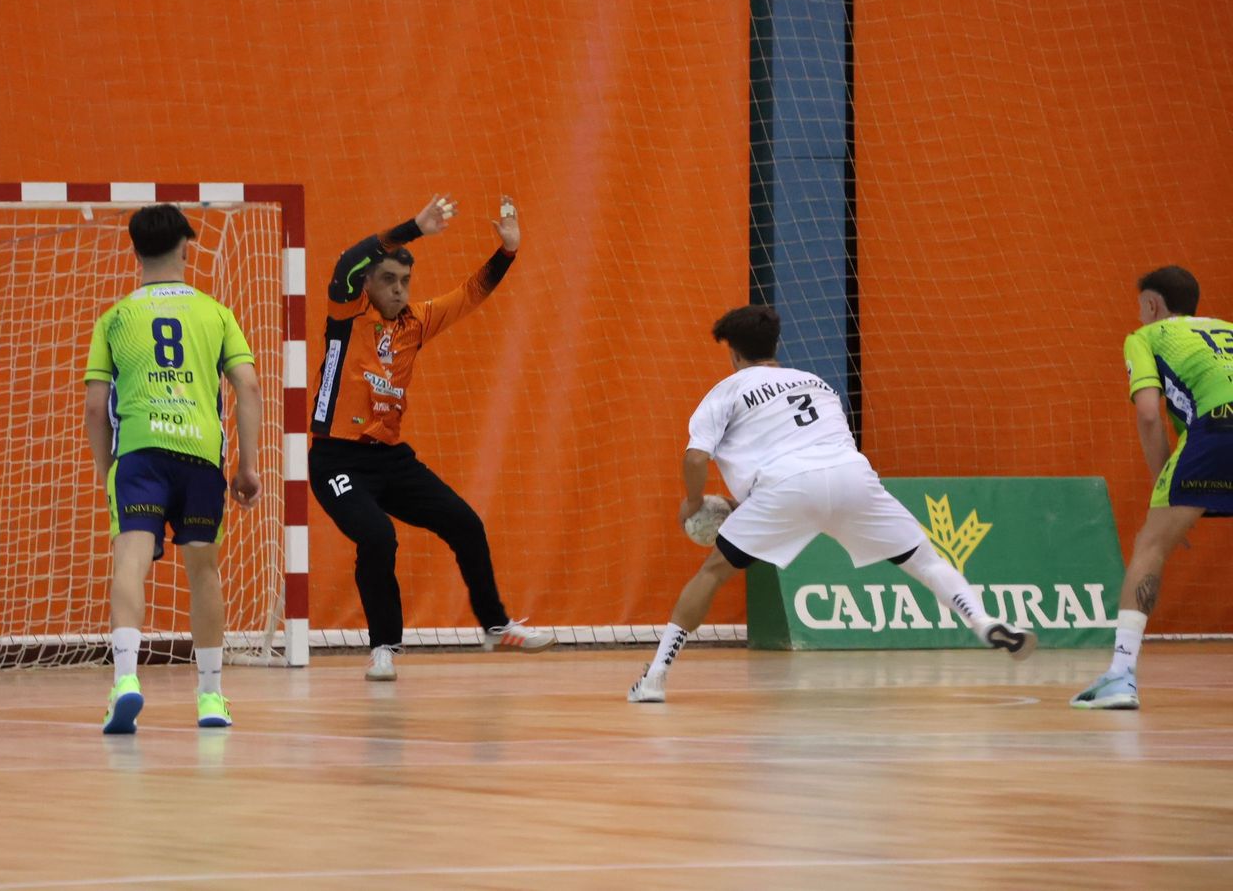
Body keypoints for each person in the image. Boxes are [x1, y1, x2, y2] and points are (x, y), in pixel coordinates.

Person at [628, 305, 1035, 704]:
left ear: (733, 353)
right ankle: (984, 622)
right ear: (775, 345)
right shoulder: (816, 383)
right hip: (850, 477)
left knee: (713, 573)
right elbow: (812, 461)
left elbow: (696, 457)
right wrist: (746, 505)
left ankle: (656, 677)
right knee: (927, 561)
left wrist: (695, 502)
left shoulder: (727, 390)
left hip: (784, 488)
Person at [309, 194, 553, 681]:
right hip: (337, 459)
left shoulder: (416, 323)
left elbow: (471, 293)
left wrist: (507, 252)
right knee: (378, 536)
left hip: (392, 461)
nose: (398, 290)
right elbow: (346, 260)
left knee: (465, 523)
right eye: (388, 280)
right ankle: (383, 647)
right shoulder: (347, 312)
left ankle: (495, 624)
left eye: (405, 282)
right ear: (367, 284)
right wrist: (412, 227)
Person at [83, 204, 262, 732]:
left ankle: (125, 680)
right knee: (203, 570)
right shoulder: (216, 312)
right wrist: (246, 467)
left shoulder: (115, 318)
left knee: (129, 562)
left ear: (135, 250)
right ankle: (209, 696)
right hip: (200, 455)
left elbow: (96, 407)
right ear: (186, 246)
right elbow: (248, 387)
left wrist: (107, 470)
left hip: (140, 454)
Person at [1072, 266, 1233, 710]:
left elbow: (1148, 413)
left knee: (1150, 545)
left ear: (1152, 305)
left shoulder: (1146, 336)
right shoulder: (1227, 330)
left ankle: (1120, 676)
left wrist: (1165, 482)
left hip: (1219, 429)